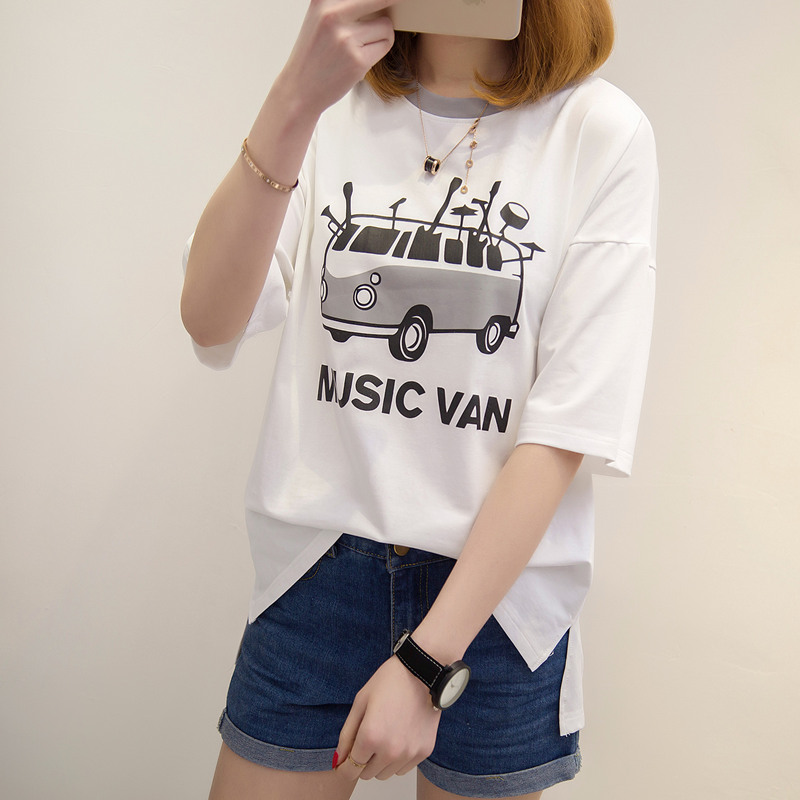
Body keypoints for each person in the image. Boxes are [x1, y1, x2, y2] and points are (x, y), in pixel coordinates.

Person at [181, 0, 658, 797]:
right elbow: (209, 318)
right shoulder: (332, 106)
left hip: (496, 603)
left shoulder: (599, 132)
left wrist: (429, 658)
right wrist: (295, 96)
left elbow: (566, 426)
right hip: (318, 570)